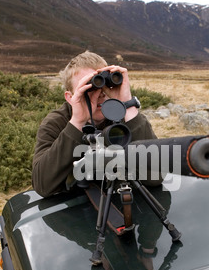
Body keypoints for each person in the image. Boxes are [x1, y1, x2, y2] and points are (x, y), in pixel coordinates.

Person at [32, 51, 158, 197]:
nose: (100, 94)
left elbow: (156, 176)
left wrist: (127, 106)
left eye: (106, 85)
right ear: (70, 97)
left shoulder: (126, 118)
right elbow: (42, 185)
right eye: (90, 88)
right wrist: (77, 124)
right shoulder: (57, 123)